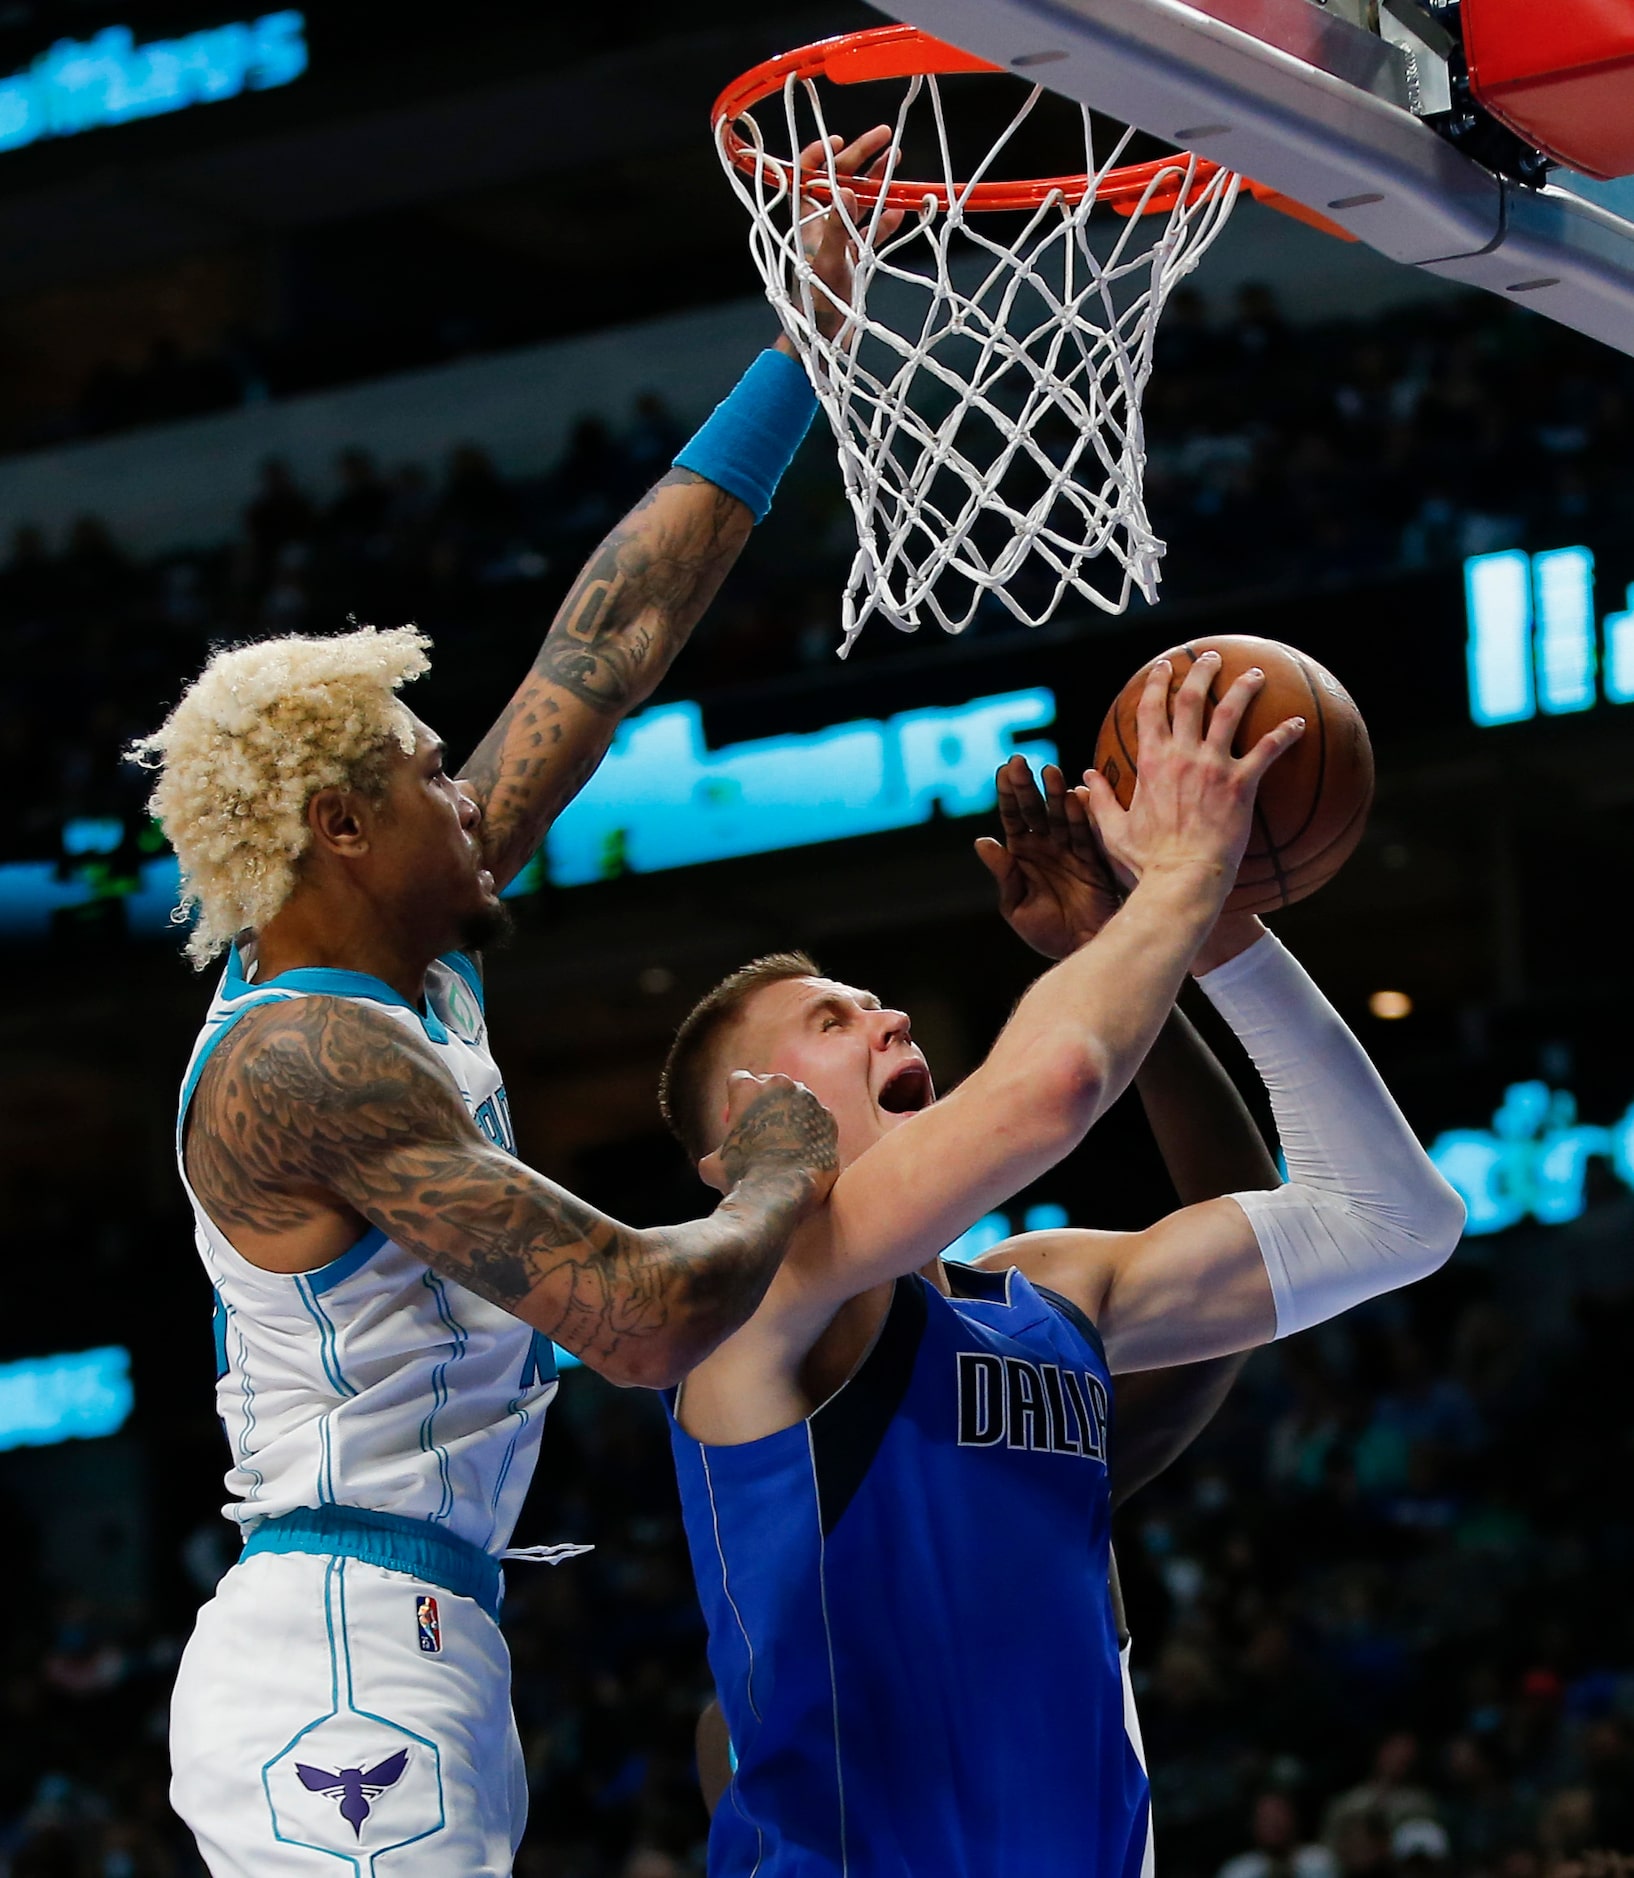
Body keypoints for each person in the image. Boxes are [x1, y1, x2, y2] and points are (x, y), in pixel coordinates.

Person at [130, 124, 901, 1878]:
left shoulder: (413, 953)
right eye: (419, 774)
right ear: (336, 826)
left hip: (416, 1623)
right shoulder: (304, 1056)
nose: (461, 790)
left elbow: (602, 644)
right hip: (335, 1643)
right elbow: (632, 1317)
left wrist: (807, 340)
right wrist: (779, 1162)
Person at [655, 659, 1467, 1877]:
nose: (890, 1023)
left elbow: (1391, 1218)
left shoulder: (1046, 1290)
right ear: (736, 1145)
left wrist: (1225, 938)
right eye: (832, 1021)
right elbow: (1056, 1086)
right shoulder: (754, 1300)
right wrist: (1180, 884)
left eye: (879, 1005)